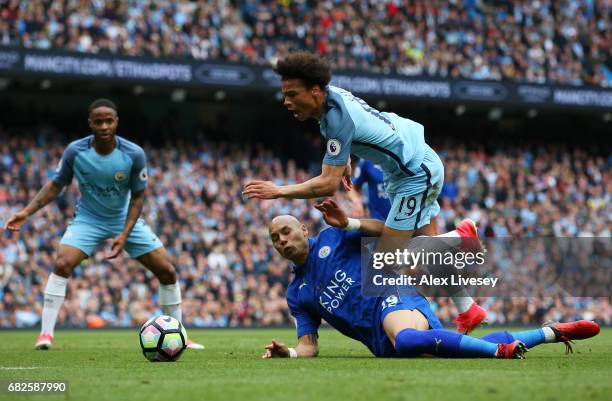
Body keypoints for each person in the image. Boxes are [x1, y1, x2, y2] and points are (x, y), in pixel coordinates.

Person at [243, 51, 486, 333]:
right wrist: (345, 158)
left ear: (315, 91)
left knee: (387, 258)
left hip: (415, 172)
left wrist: (279, 191)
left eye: (292, 94)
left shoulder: (335, 117)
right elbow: (357, 128)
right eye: (284, 94)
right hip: (405, 167)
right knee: (426, 247)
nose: (286, 102)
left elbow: (327, 184)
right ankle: (468, 309)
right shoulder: (330, 101)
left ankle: (460, 235)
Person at [261, 199, 600, 359]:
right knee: (441, 352)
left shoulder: (333, 237)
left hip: (393, 296)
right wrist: (289, 353)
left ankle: (501, 352)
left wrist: (349, 221)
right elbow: (309, 346)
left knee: (408, 339)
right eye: (276, 238)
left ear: (303, 229)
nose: (283, 240)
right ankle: (550, 332)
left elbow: (389, 232)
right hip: (379, 342)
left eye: (287, 231)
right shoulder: (297, 293)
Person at [4, 99, 203, 350]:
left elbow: (139, 196)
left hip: (124, 219)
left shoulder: (133, 154)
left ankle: (180, 337)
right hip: (89, 218)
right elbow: (56, 185)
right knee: (62, 262)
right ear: (90, 123)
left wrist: (125, 233)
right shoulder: (75, 152)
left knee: (167, 271)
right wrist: (26, 212)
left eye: (109, 121)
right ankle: (45, 334)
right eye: (98, 121)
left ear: (117, 122)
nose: (104, 126)